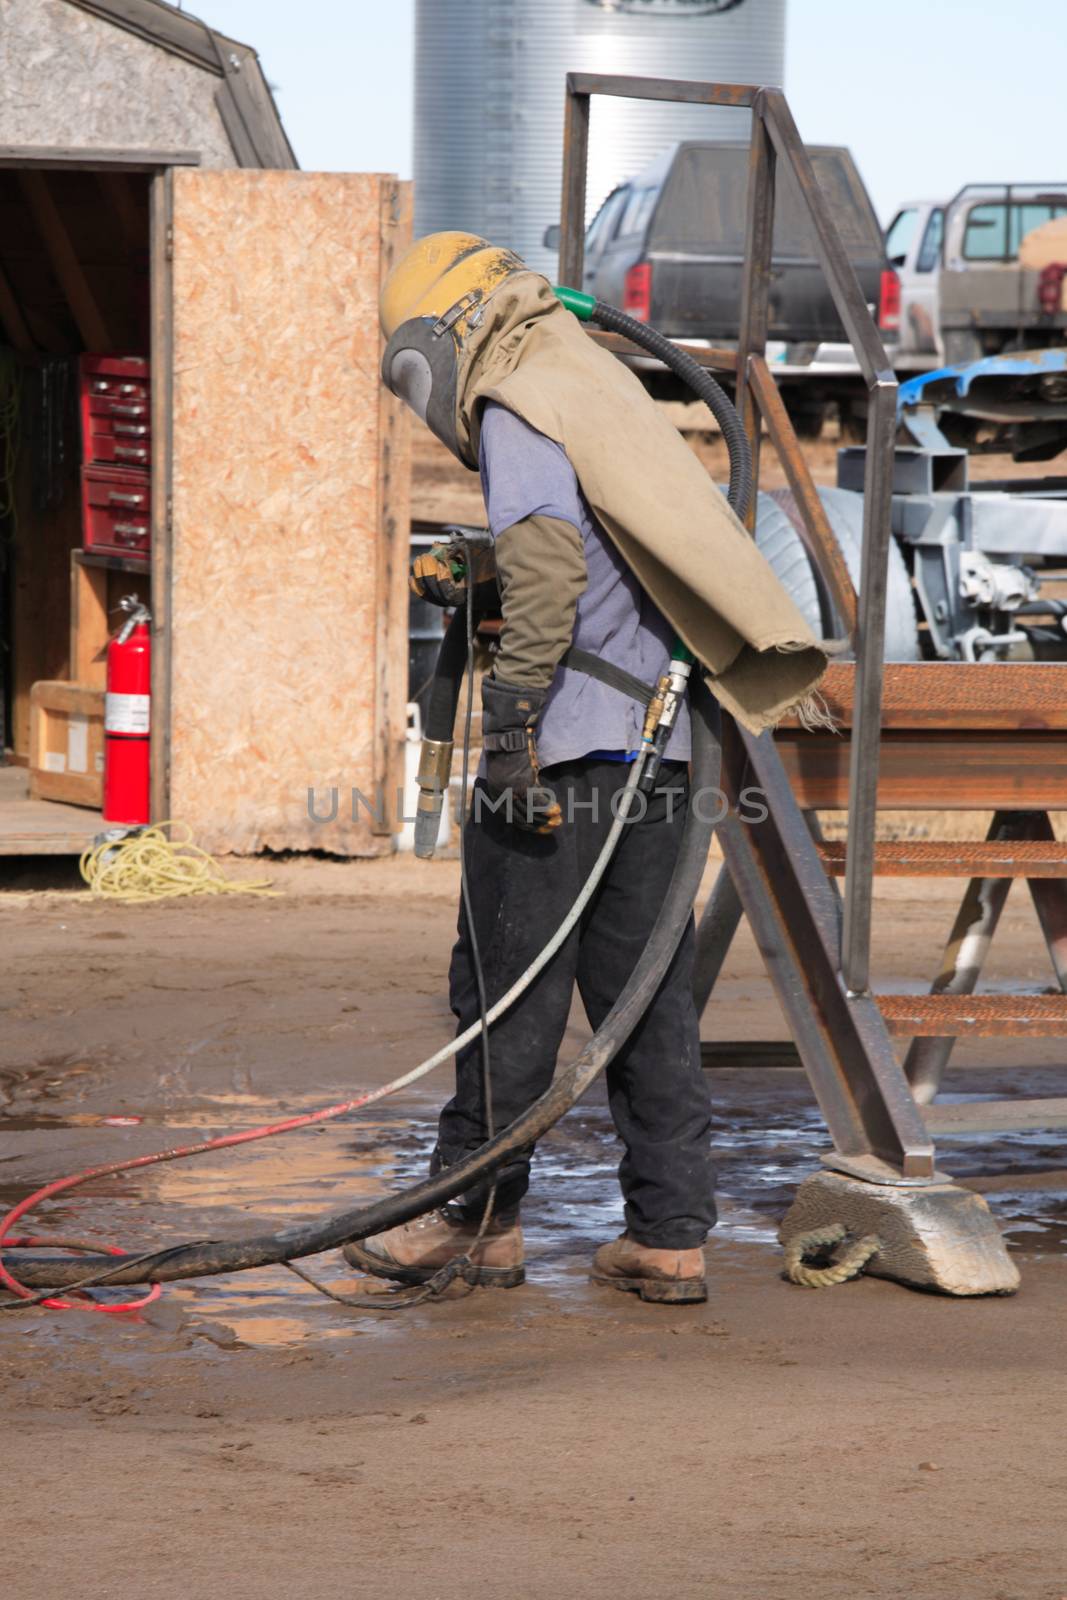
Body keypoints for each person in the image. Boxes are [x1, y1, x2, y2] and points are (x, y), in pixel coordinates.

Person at [342, 234, 827, 1304]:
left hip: (564, 747)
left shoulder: (519, 394)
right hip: (659, 747)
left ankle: (470, 1221)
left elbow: (548, 558)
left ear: (449, 331)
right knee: (641, 996)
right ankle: (667, 1236)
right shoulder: (597, 385)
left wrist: (510, 725)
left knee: (502, 993)